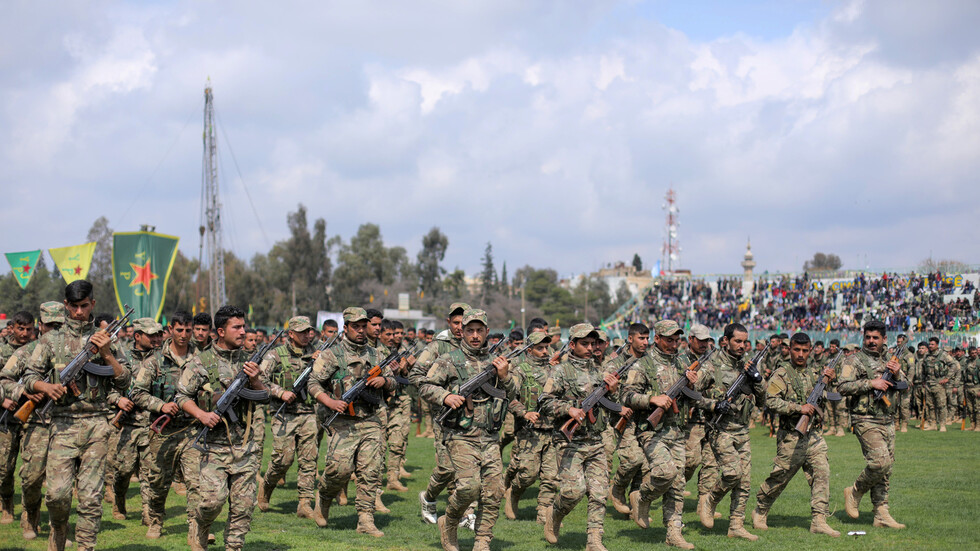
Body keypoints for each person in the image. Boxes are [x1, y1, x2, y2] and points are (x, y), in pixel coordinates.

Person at [24, 280, 131, 551]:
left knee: (91, 498)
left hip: (97, 423)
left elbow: (125, 380)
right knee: (57, 496)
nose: (80, 312)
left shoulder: (108, 339)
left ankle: (86, 546)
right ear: (66, 306)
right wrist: (46, 386)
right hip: (62, 424)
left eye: (85, 306)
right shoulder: (51, 340)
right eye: (74, 307)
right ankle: (59, 528)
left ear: (92, 304)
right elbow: (29, 377)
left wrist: (107, 354)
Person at [420, 309, 517, 551]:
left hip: (490, 437)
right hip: (461, 436)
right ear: (461, 332)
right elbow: (424, 386)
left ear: (486, 332)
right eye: (470, 330)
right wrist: (446, 396)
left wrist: (505, 377)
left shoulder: (497, 362)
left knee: (494, 491)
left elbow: (514, 395)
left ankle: (483, 541)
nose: (475, 335)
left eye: (479, 330)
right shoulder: (448, 360)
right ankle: (449, 522)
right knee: (468, 487)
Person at [176, 305, 269, 551]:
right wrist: (202, 414)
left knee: (243, 507)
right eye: (236, 327)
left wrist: (256, 380)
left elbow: (266, 396)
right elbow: (181, 396)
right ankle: (201, 526)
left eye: (243, 326)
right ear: (220, 331)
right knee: (211, 502)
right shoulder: (201, 362)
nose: (242, 332)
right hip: (213, 447)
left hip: (244, 446)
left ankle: (234, 547)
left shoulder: (251, 361)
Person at [308, 307, 394, 537]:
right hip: (343, 422)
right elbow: (313, 383)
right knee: (340, 470)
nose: (360, 330)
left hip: (372, 420)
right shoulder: (332, 354)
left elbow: (394, 382)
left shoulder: (377, 354)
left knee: (370, 471)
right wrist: (330, 402)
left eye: (363, 325)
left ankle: (365, 520)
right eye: (355, 326)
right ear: (346, 328)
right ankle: (324, 497)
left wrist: (384, 381)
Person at [621, 320, 702, 549]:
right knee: (666, 473)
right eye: (669, 340)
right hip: (652, 431)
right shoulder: (642, 364)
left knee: (677, 483)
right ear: (657, 339)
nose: (674, 344)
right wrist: (651, 399)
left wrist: (692, 386)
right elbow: (626, 396)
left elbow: (691, 397)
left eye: (677, 340)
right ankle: (643, 496)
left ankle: (674, 532)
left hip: (677, 430)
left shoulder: (683, 362)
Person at [538, 323, 619, 551]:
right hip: (570, 442)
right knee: (573, 492)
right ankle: (554, 514)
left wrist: (613, 392)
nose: (590, 347)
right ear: (572, 345)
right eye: (584, 343)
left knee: (600, 493)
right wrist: (568, 409)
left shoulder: (599, 371)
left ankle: (594, 540)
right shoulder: (560, 371)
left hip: (596, 441)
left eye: (593, 343)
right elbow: (544, 402)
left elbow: (612, 406)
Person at [752, 332, 840, 537]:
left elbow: (829, 397)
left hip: (814, 435)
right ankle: (761, 508)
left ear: (810, 351)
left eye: (804, 350)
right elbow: (770, 401)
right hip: (792, 435)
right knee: (780, 476)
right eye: (796, 350)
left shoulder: (814, 373)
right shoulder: (781, 374)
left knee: (822, 472)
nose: (800, 354)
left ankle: (819, 519)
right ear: (790, 349)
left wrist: (830, 382)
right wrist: (798, 408)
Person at [131, 310, 204, 541]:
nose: (184, 335)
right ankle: (155, 520)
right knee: (158, 482)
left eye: (188, 330)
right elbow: (136, 393)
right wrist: (160, 406)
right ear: (170, 330)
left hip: (192, 430)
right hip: (162, 432)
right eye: (179, 330)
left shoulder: (202, 358)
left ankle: (196, 526)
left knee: (196, 482)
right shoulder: (155, 361)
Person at [695, 322, 765, 541]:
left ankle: (736, 525)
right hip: (720, 429)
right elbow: (693, 395)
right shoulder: (711, 365)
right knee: (732, 473)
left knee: (744, 482)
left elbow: (764, 402)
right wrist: (714, 405)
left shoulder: (749, 366)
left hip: (742, 430)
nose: (742, 346)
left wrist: (758, 380)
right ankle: (710, 500)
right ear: (725, 341)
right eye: (737, 341)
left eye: (745, 342)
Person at [0, 302, 63, 541]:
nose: (54, 331)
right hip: (35, 422)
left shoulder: (72, 351)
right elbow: (5, 380)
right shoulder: (26, 352)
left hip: (65, 422)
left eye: (59, 325)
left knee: (60, 484)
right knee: (32, 477)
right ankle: (29, 516)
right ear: (41, 325)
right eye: (50, 326)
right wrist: (24, 393)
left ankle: (58, 530)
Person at [838, 320, 906, 529]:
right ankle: (855, 491)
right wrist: (871, 383)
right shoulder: (853, 360)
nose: (871, 341)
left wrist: (896, 373)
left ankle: (881, 513)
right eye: (868, 337)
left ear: (884, 339)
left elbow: (905, 386)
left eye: (875, 337)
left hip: (887, 418)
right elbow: (842, 386)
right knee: (880, 462)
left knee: (886, 471)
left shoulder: (891, 360)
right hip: (865, 418)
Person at [412, 303, 472, 525]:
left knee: (470, 467)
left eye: (464, 323)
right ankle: (429, 497)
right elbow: (416, 375)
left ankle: (466, 513)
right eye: (456, 323)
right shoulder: (438, 347)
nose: (460, 327)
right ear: (449, 323)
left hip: (473, 417)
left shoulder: (478, 346)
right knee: (447, 467)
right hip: (444, 417)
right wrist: (442, 394)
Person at [258, 315, 320, 518]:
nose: (306, 335)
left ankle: (304, 503)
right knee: (283, 459)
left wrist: (321, 363)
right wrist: (279, 392)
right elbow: (258, 379)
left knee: (309, 459)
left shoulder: (317, 354)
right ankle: (267, 486)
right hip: (284, 414)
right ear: (291, 334)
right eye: (301, 332)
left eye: (308, 331)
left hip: (309, 413)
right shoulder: (275, 355)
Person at [105, 318, 163, 522]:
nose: (156, 338)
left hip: (153, 424)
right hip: (127, 424)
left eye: (159, 334)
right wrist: (118, 399)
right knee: (123, 470)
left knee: (150, 472)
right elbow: (107, 390)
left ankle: (148, 512)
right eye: (151, 335)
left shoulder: (164, 358)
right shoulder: (122, 357)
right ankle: (119, 500)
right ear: (137, 336)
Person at [502, 331, 557, 524]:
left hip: (554, 430)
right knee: (528, 474)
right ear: (530, 349)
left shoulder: (555, 370)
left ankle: (544, 514)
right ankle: (514, 492)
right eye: (539, 348)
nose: (544, 351)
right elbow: (509, 397)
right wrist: (524, 412)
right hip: (529, 431)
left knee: (551, 477)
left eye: (546, 347)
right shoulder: (519, 370)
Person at [605, 323, 648, 516]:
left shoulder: (650, 362)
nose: (645, 342)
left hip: (647, 419)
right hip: (625, 419)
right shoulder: (615, 364)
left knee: (645, 463)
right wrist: (618, 406)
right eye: (641, 338)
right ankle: (617, 488)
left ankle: (636, 502)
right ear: (630, 339)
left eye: (647, 338)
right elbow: (603, 394)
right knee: (633, 459)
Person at [0, 310, 34, 523]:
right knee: (4, 468)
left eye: (29, 329)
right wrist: (2, 399)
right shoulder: (2, 351)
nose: (24, 333)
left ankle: (30, 512)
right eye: (20, 328)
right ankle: (6, 502)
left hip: (33, 417)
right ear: (11, 327)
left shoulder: (37, 350)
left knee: (32, 470)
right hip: (7, 415)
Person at [682, 324, 719, 510]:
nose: (704, 343)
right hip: (691, 418)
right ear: (691, 339)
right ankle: (674, 488)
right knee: (691, 460)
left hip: (712, 417)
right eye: (701, 340)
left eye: (707, 340)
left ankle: (704, 506)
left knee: (711, 464)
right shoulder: (681, 360)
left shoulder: (712, 359)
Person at [920, 337, 957, 431]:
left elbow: (953, 365)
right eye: (930, 344)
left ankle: (942, 425)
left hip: (939, 383)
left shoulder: (943, 355)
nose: (930, 346)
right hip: (928, 383)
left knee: (941, 405)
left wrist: (947, 378)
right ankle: (933, 424)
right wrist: (923, 380)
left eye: (932, 344)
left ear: (937, 345)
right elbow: (923, 368)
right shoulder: (926, 355)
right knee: (930, 405)